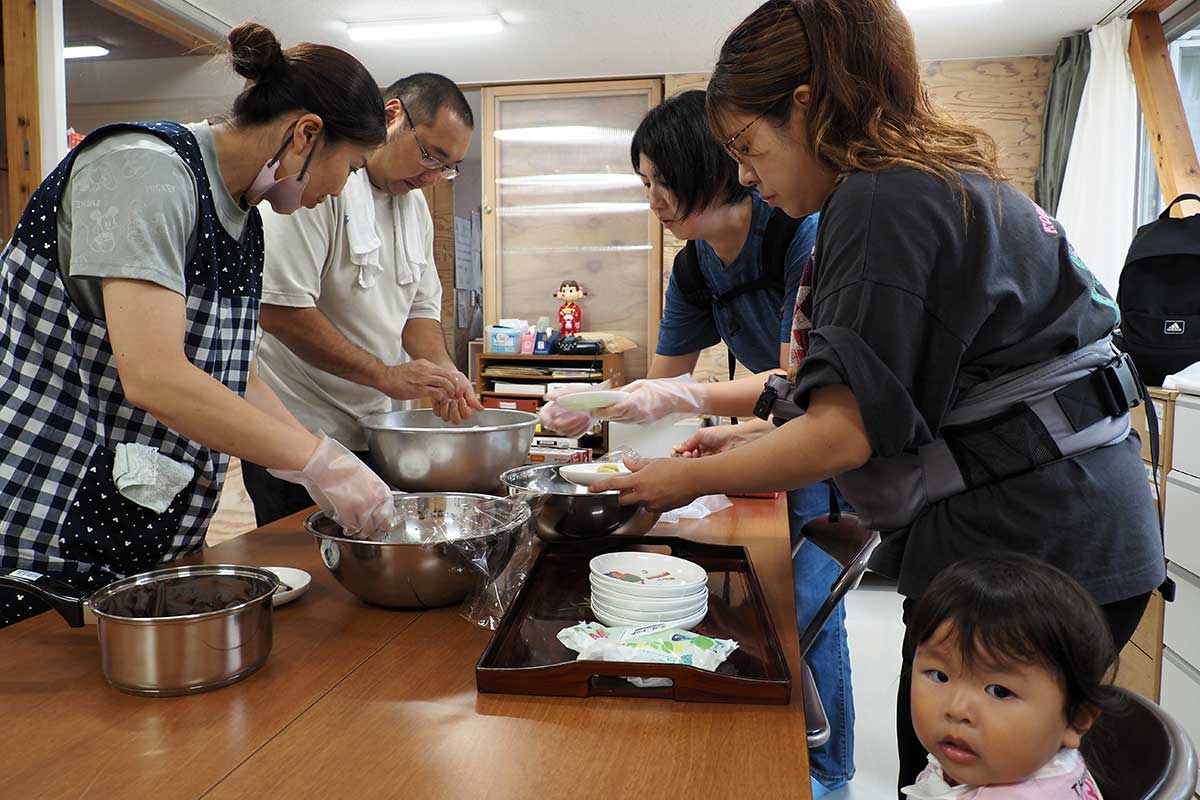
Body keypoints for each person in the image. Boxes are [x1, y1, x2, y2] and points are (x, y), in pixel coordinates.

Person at [590, 1, 1164, 793]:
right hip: (1078, 525)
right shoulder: (931, 179)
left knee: (963, 767)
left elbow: (844, 432)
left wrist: (672, 482)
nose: (747, 175)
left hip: (1031, 546)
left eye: (747, 148)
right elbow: (896, 395)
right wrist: (750, 441)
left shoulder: (878, 199)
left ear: (805, 104)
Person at [0, 23, 396, 628]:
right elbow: (155, 377)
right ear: (306, 133)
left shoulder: (245, 218)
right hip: (41, 502)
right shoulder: (143, 172)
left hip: (131, 516)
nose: (342, 189)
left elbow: (233, 372)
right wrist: (317, 460)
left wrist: (317, 461)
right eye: (352, 167)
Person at [540, 89, 855, 794]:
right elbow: (657, 393)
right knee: (758, 610)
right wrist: (603, 415)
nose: (652, 197)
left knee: (802, 615)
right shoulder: (693, 266)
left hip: (817, 447)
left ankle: (828, 777)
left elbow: (798, 382)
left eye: (660, 178)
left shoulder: (794, 232)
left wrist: (685, 402)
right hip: (769, 435)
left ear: (710, 164)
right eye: (643, 183)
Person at [243, 72, 482, 527]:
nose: (432, 176)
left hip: (375, 428)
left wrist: (444, 374)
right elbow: (279, 309)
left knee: (367, 554)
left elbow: (419, 311)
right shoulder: (317, 186)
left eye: (447, 167)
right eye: (431, 154)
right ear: (392, 115)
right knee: (307, 565)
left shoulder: (414, 208)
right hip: (297, 430)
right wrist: (384, 374)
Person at [903, 554, 1114, 798]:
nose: (957, 709)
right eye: (940, 676)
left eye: (999, 691)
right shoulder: (1007, 764)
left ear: (1076, 719)